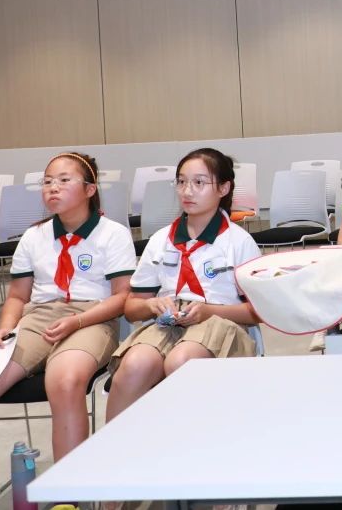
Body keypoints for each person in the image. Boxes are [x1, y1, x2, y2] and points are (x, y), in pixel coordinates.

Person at [0, 153, 135, 510]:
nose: (53, 187)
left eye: (64, 180)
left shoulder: (113, 233)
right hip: (39, 318)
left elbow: (122, 297)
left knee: (64, 381)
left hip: (92, 317)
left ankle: (66, 501)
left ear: (90, 189)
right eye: (47, 181)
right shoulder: (34, 236)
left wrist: (76, 322)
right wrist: (5, 329)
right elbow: (17, 296)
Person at [105, 148, 262, 424]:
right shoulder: (161, 239)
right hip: (167, 323)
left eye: (199, 183)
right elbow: (131, 309)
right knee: (134, 365)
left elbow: (257, 311)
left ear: (223, 188)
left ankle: (186, 443)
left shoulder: (239, 242)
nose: (187, 191)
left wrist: (209, 311)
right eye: (181, 182)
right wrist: (151, 305)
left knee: (181, 362)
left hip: (222, 323)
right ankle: (112, 447)